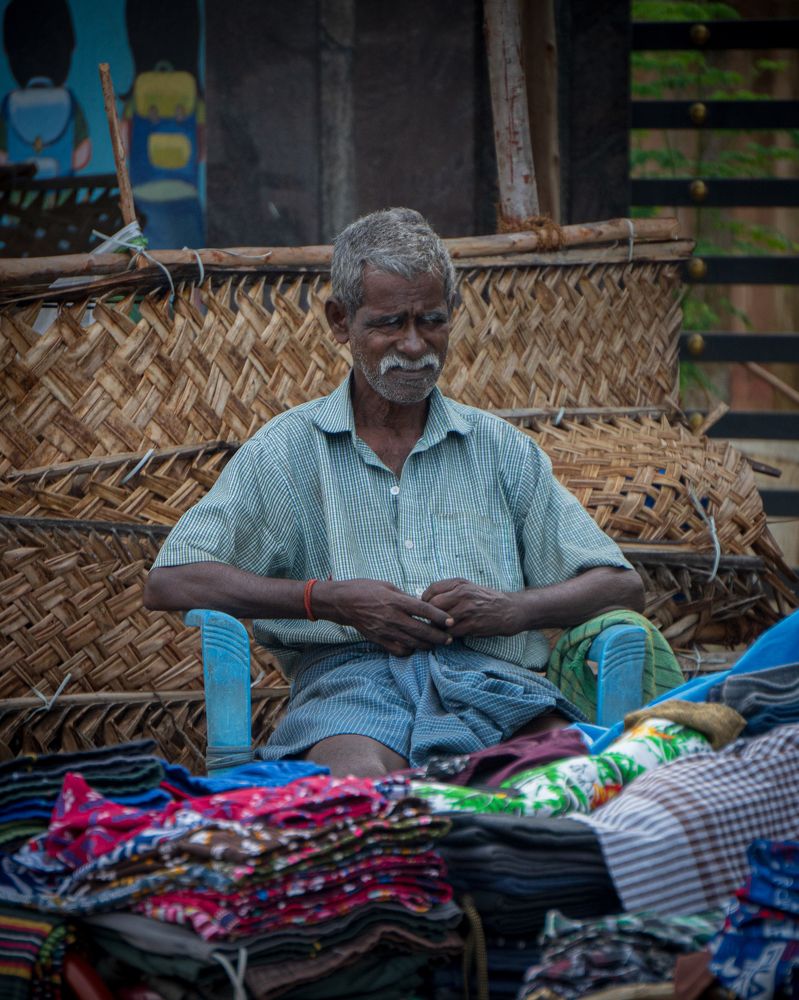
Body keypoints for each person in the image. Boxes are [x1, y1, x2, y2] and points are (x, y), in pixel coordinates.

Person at [144, 208, 645, 777]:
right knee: (361, 801)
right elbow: (170, 580)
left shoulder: (502, 450)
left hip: (496, 688)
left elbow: (623, 584)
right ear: (340, 320)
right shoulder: (287, 449)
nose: (413, 345)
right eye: (389, 323)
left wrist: (513, 610)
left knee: (573, 781)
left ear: (453, 313)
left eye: (431, 320)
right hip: (351, 695)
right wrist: (328, 600)